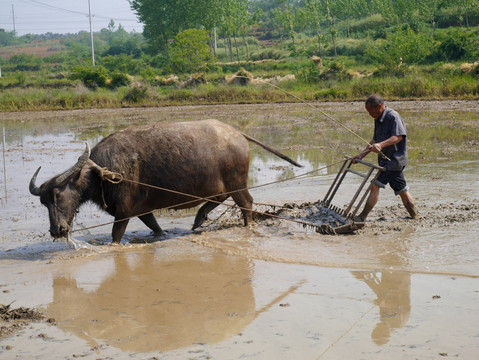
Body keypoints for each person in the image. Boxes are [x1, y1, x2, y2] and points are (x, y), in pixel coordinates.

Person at [353, 94, 417, 221]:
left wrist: (381, 145)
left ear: (380, 107)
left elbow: (398, 137)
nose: (370, 114)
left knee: (375, 185)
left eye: (371, 111)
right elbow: (375, 139)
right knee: (402, 190)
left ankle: (362, 217)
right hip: (385, 160)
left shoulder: (393, 117)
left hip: (394, 160)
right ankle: (415, 217)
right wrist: (362, 155)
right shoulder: (378, 119)